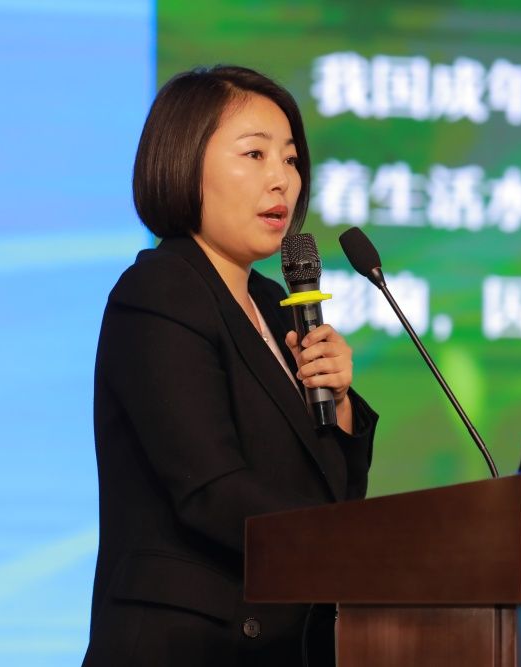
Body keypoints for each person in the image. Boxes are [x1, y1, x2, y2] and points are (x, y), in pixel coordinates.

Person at [81, 65, 377, 666]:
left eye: (290, 159)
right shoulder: (160, 291)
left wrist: (340, 405)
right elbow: (209, 489)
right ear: (185, 163)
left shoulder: (276, 305)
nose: (282, 179)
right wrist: (353, 552)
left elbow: (328, 494)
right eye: (255, 154)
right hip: (186, 646)